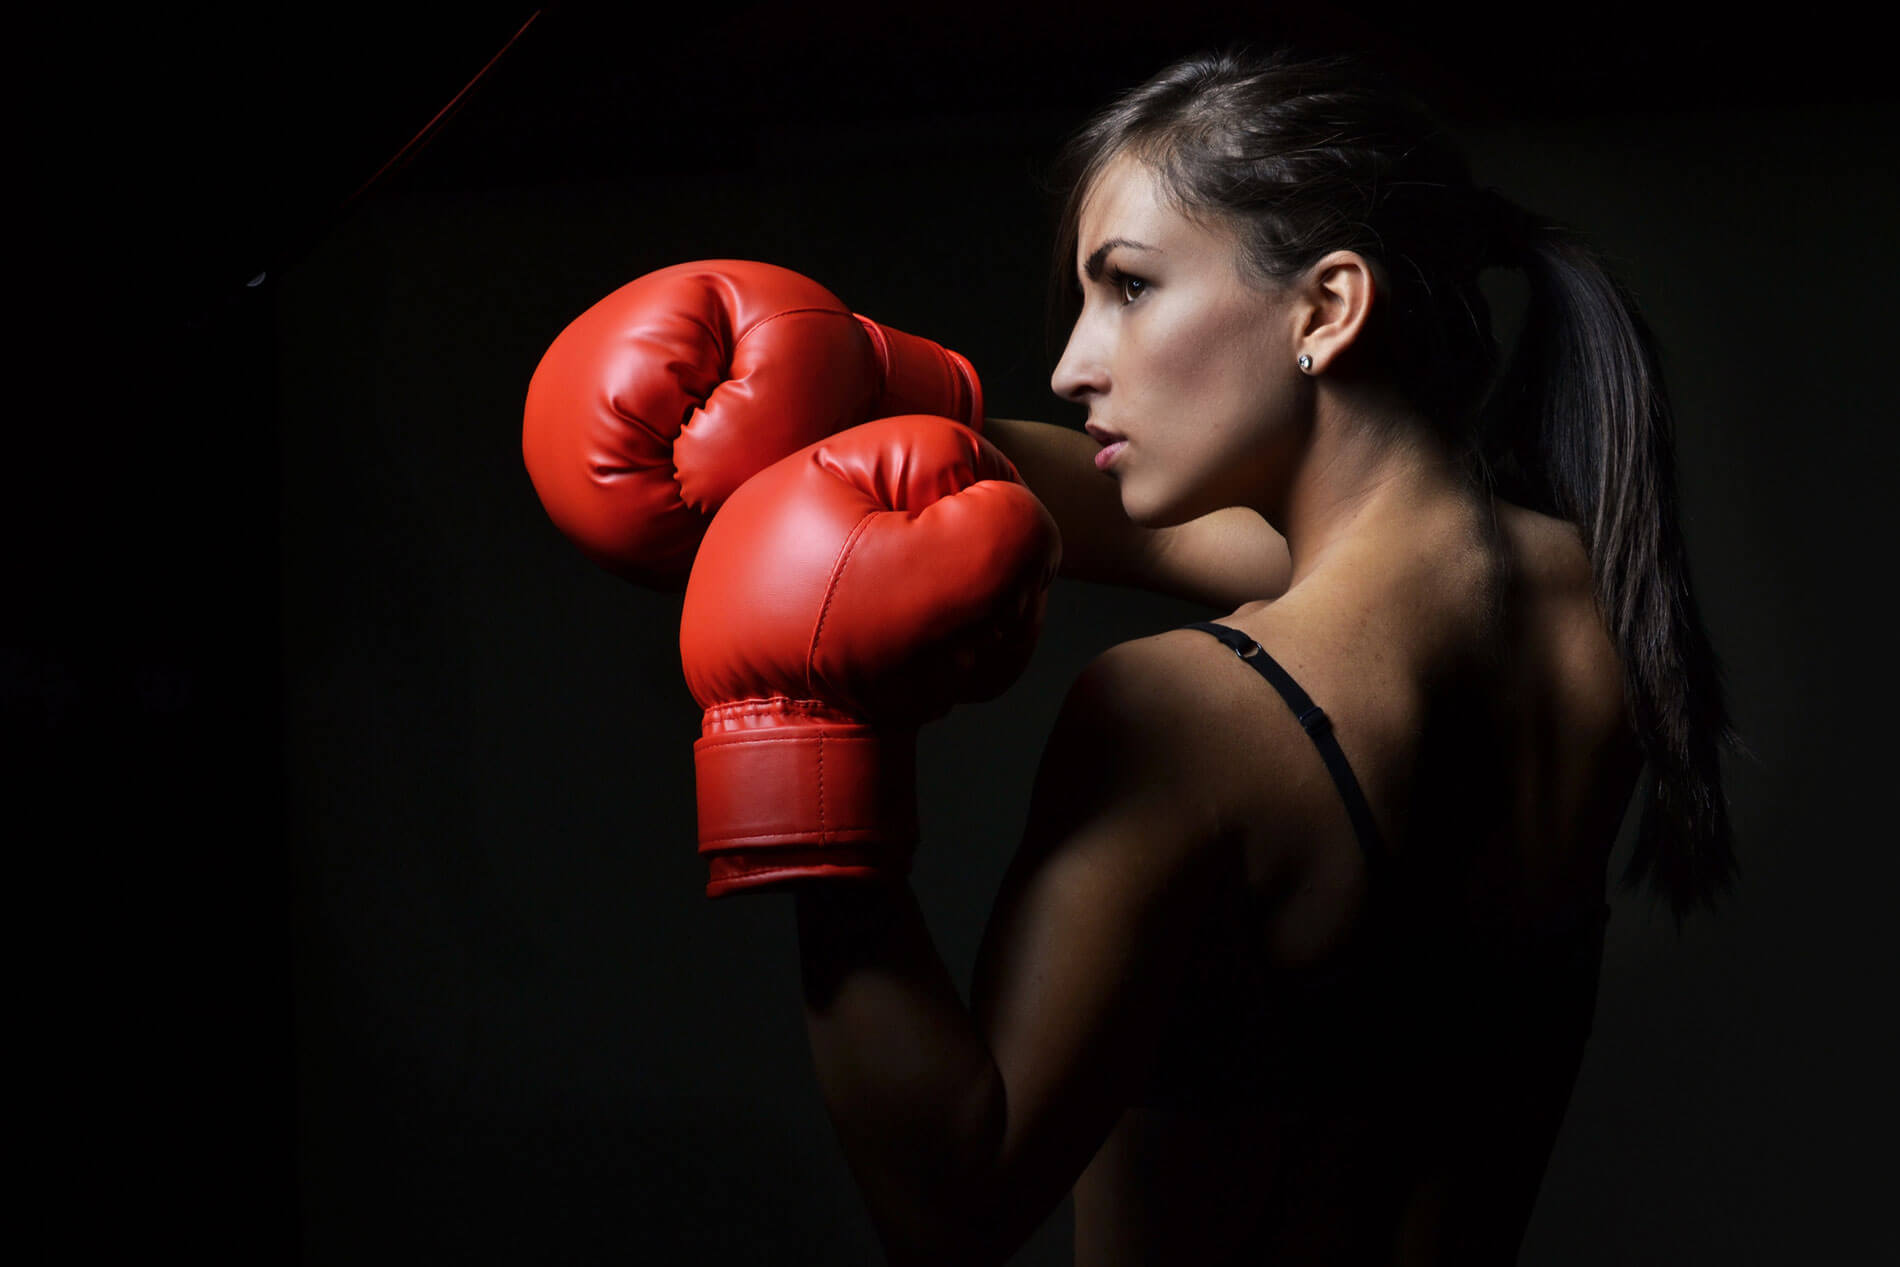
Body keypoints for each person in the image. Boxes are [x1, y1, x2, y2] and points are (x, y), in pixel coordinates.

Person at [522, 44, 1737, 1267]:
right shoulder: (1594, 601)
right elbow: (1159, 523)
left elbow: (951, 1203)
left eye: (1131, 287)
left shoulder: (1189, 716)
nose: (1070, 364)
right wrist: (845, 394)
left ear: (1326, 308)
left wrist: (806, 742)